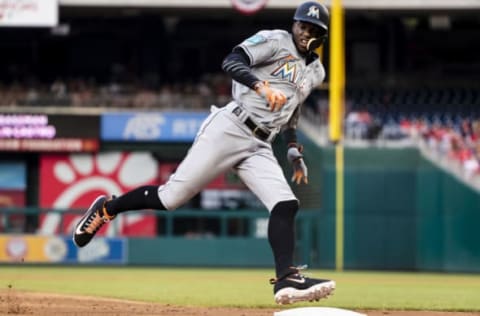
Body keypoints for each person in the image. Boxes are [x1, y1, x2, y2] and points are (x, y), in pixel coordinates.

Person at [73, 1, 334, 305]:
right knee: (170, 198)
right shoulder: (276, 40)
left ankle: (286, 280)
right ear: (295, 24)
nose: (305, 32)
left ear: (322, 35)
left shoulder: (316, 71)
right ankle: (107, 208)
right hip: (231, 126)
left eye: (313, 29)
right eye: (302, 25)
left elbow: (293, 108)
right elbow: (232, 61)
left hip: (262, 143)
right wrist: (261, 87)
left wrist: (292, 149)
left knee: (286, 204)